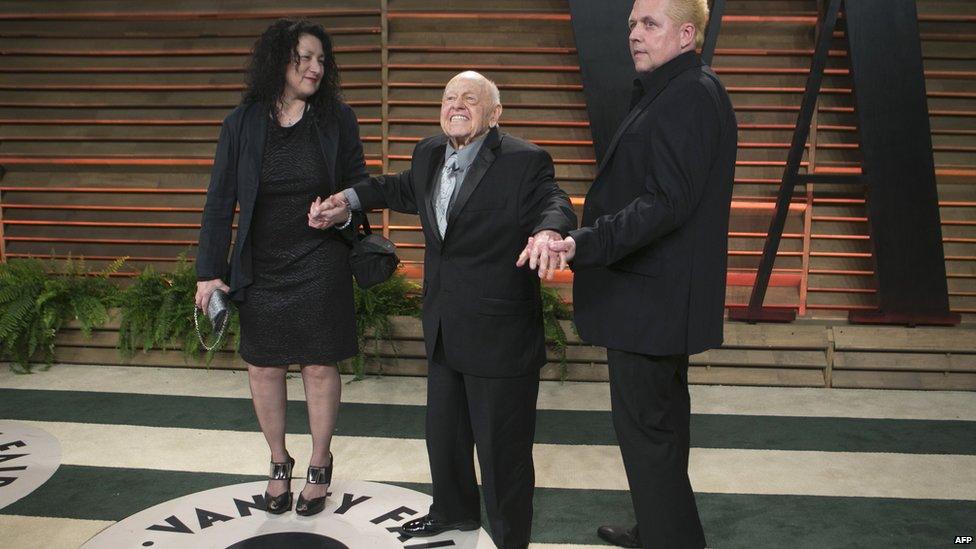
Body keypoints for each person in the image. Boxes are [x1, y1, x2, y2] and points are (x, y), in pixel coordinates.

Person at [309, 71, 576, 548]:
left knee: (503, 454)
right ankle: (453, 513)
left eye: (469, 99)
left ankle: (512, 540)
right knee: (446, 437)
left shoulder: (524, 160)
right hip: (444, 328)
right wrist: (345, 201)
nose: (456, 105)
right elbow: (397, 188)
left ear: (494, 115)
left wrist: (549, 232)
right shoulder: (430, 152)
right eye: (449, 97)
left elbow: (553, 201)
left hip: (500, 335)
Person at [530, 0, 737, 547]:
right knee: (661, 433)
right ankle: (664, 531)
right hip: (656, 301)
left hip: (650, 303)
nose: (634, 34)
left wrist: (581, 241)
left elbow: (666, 203)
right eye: (631, 25)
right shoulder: (676, 90)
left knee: (649, 434)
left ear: (688, 33)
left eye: (650, 23)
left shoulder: (689, 94)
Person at [195, 18, 367, 517]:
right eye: (304, 58)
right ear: (279, 62)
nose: (316, 67)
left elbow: (359, 185)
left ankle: (319, 461)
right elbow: (218, 201)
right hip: (261, 264)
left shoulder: (338, 118)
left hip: (320, 259)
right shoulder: (241, 123)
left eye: (321, 59)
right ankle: (277, 461)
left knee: (318, 363)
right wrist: (209, 272)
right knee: (264, 366)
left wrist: (343, 206)